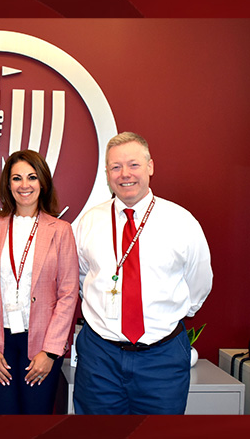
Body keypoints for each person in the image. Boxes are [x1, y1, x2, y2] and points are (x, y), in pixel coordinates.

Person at [74, 131, 213, 414]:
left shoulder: (181, 222)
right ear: (107, 173)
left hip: (162, 358)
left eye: (134, 164)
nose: (125, 174)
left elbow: (199, 283)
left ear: (150, 166)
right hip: (100, 357)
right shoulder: (90, 222)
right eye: (116, 167)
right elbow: (81, 276)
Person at [0, 149, 79, 414]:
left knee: (36, 421)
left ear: (42, 182)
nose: (25, 185)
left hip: (42, 344)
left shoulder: (61, 231)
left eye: (32, 177)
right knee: (4, 420)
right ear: (8, 184)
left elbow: (68, 293)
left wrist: (51, 352)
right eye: (17, 178)